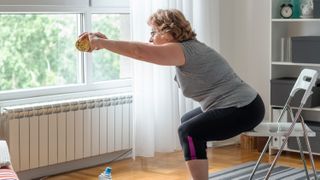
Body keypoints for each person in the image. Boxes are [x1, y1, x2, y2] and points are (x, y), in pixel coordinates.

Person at [80, 9, 265, 180]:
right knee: (187, 121)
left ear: (168, 31)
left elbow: (139, 51)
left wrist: (102, 43)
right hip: (242, 105)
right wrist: (106, 42)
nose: (150, 37)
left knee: (189, 131)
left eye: (153, 32)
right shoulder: (185, 47)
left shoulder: (183, 49)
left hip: (244, 108)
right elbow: (140, 48)